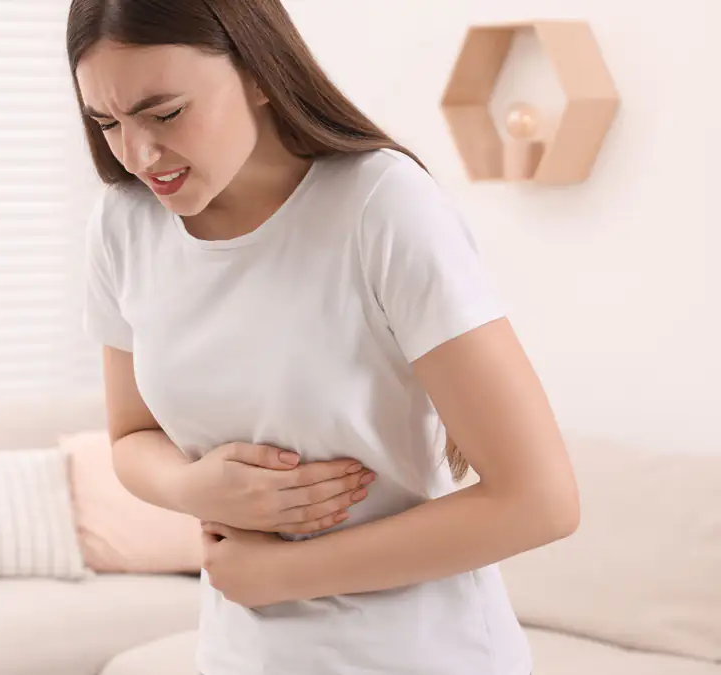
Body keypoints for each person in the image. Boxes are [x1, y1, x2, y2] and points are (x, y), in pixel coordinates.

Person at [66, 1, 578, 674]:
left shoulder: (381, 205)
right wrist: (194, 488)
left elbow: (539, 500)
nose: (138, 155)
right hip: (240, 655)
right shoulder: (124, 225)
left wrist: (283, 574)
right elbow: (132, 437)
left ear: (258, 72)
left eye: (165, 114)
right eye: (107, 123)